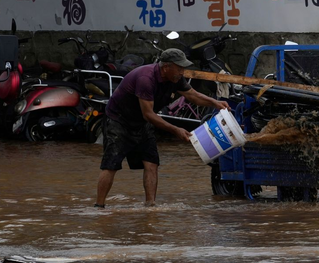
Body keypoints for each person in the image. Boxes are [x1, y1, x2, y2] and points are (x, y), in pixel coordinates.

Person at [95, 48, 229, 207]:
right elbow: (149, 115)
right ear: (166, 67)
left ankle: (150, 206)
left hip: (141, 122)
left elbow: (192, 95)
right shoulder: (146, 79)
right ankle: (99, 207)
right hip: (119, 121)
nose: (182, 72)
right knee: (111, 165)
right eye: (179, 68)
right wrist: (175, 129)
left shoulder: (175, 78)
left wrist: (215, 103)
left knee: (152, 162)